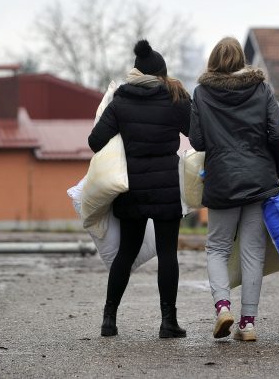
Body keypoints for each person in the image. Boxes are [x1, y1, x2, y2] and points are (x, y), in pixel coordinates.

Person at [88, 39, 191, 339]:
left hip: (130, 187)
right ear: (160, 73)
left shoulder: (120, 100)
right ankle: (168, 322)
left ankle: (109, 319)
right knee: (167, 252)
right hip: (166, 187)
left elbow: (95, 141)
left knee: (126, 252)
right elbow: (197, 135)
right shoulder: (175, 97)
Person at [189, 37, 279, 341]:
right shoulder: (261, 88)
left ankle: (222, 307)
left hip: (222, 181)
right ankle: (248, 323)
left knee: (217, 248)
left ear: (213, 62)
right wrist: (278, 170)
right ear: (242, 60)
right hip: (260, 180)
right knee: (253, 251)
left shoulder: (202, 93)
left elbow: (197, 141)